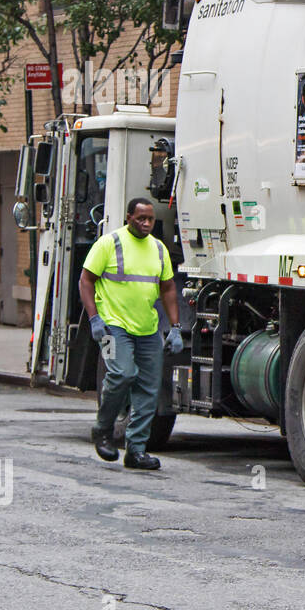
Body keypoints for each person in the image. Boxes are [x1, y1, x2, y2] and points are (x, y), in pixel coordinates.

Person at [78, 198, 183, 470]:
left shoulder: (159, 249)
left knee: (149, 389)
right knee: (121, 373)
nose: (146, 223)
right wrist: (94, 319)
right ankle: (103, 429)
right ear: (128, 218)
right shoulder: (108, 244)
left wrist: (175, 328)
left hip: (147, 329)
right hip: (113, 327)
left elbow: (168, 288)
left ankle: (136, 451)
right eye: (141, 218)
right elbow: (86, 281)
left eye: (150, 219)